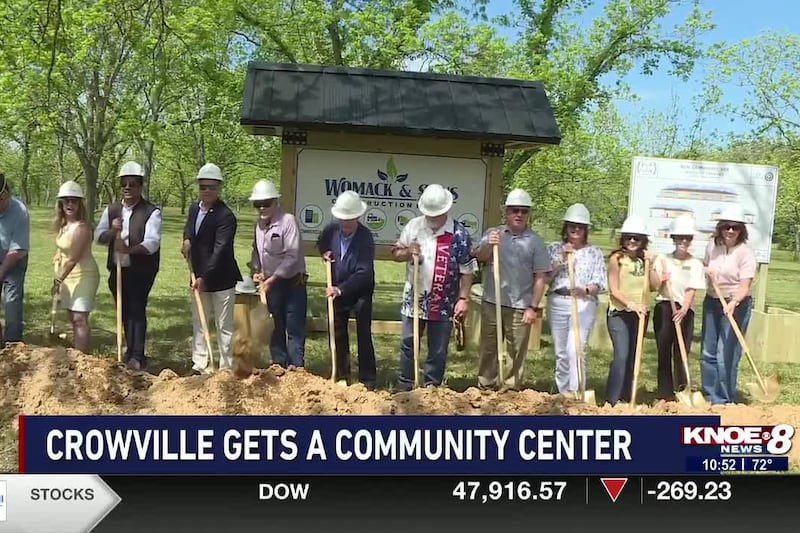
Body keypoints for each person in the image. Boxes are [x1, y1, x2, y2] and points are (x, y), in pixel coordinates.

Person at [391, 184, 476, 390]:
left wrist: (463, 299)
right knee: (409, 344)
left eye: (437, 214)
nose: (433, 217)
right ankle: (406, 386)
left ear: (446, 210)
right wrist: (407, 252)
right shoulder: (414, 226)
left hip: (444, 301)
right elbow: (395, 253)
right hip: (415, 299)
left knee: (437, 349)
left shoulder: (459, 234)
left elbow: (467, 270)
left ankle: (432, 387)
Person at [472, 188, 550, 391]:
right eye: (515, 210)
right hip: (492, 300)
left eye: (524, 211)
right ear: (506, 212)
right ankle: (486, 384)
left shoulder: (536, 242)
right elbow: (479, 256)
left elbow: (540, 276)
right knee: (489, 347)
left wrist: (533, 307)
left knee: (517, 349)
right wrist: (489, 244)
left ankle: (512, 388)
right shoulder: (493, 233)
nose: (519, 214)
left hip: (520, 306)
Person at [94, 162, 162, 370]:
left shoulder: (152, 212)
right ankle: (128, 347)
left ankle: (137, 356)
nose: (127, 188)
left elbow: (152, 242)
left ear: (140, 186)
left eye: (132, 184)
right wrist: (112, 233)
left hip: (142, 269)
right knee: (123, 309)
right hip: (117, 268)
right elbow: (99, 235)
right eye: (124, 184)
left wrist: (129, 250)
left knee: (136, 308)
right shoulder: (112, 209)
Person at [182, 163, 242, 373]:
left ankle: (225, 367)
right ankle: (200, 364)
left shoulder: (225, 216)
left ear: (219, 189)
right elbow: (189, 230)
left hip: (221, 278)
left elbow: (220, 250)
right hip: (198, 275)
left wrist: (204, 277)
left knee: (223, 325)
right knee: (199, 321)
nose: (207, 191)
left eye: (212, 187)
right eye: (203, 187)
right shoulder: (193, 208)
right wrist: (187, 240)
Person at [316, 191, 376, 389]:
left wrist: (340, 290)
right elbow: (321, 243)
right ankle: (341, 374)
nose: (345, 224)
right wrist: (324, 252)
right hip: (336, 287)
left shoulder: (365, 237)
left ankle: (367, 379)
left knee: (363, 334)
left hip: (359, 291)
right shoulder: (331, 230)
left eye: (349, 220)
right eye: (342, 219)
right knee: (338, 332)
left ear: (358, 217)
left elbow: (364, 273)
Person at [546, 203, 607, 395]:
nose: (576, 229)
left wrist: (586, 289)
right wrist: (561, 257)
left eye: (580, 226)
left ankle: (577, 390)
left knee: (575, 349)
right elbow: (546, 276)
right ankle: (563, 391)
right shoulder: (555, 248)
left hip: (583, 303)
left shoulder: (594, 252)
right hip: (558, 301)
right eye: (572, 225)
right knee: (561, 352)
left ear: (586, 229)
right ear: (566, 227)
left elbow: (601, 282)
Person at [700, 204, 757, 404]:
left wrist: (734, 302)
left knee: (726, 352)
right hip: (712, 301)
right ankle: (709, 395)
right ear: (720, 228)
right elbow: (705, 265)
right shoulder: (711, 245)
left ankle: (724, 398)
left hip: (737, 304)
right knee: (708, 350)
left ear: (742, 229)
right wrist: (707, 271)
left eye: (735, 227)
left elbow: (745, 284)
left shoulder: (745, 252)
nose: (730, 231)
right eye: (726, 226)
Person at [248, 179, 307, 369]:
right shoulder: (259, 225)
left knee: (294, 329)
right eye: (258, 204)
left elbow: (292, 256)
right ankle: (278, 367)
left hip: (292, 284)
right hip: (271, 286)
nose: (262, 207)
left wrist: (272, 279)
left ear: (276, 201)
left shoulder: (288, 221)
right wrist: (256, 271)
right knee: (275, 327)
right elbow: (256, 252)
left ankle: (296, 370)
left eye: (267, 203)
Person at [605, 214, 660, 405]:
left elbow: (655, 285)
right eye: (629, 237)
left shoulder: (643, 261)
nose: (632, 241)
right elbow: (614, 290)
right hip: (619, 313)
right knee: (621, 355)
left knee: (633, 358)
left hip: (640, 315)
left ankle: (627, 398)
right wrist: (631, 304)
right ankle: (612, 400)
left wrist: (650, 265)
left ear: (643, 240)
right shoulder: (617, 259)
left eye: (636, 238)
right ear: (623, 238)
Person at [652, 214, 705, 401]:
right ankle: (665, 393)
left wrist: (684, 309)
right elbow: (653, 286)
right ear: (673, 238)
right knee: (664, 350)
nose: (684, 241)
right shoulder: (662, 260)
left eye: (687, 238)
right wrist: (660, 279)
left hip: (684, 309)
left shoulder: (695, 263)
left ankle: (683, 389)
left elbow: (692, 288)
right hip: (665, 307)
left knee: (682, 351)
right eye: (680, 237)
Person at [52, 181, 100, 352]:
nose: (70, 204)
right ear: (61, 203)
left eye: (74, 200)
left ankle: (82, 359)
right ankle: (77, 354)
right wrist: (58, 254)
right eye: (66, 201)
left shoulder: (81, 228)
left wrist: (58, 279)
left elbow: (73, 259)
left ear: (80, 204)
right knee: (72, 317)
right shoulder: (64, 226)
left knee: (80, 318)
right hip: (67, 275)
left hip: (84, 275)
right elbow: (64, 249)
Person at [0, 172, 29, 345]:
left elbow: (17, 250)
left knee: (12, 302)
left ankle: (13, 348)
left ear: (6, 194)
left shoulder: (20, 211)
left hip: (15, 259)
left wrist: (1, 272)